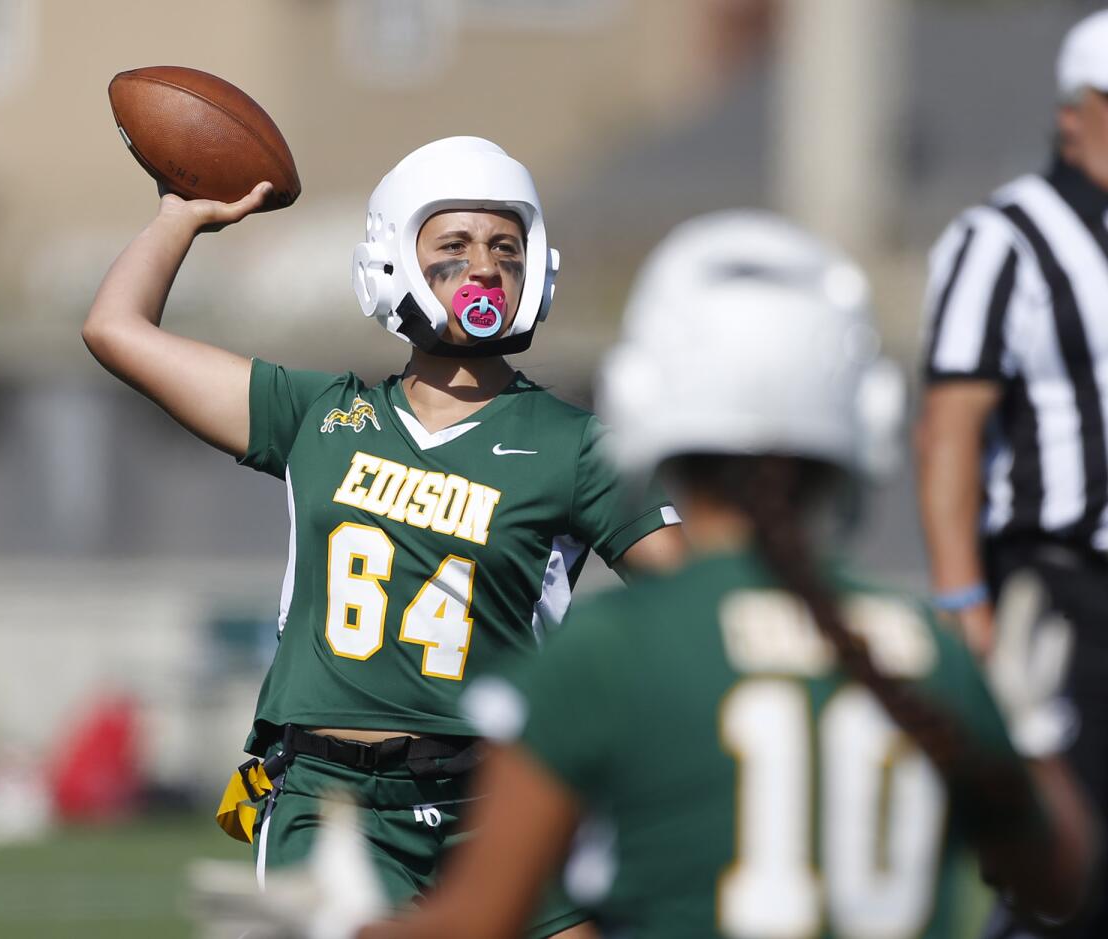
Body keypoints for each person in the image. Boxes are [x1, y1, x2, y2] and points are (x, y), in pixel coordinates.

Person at [358, 212, 1099, 939]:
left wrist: (339, 924)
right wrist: (1028, 733)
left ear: (643, 398)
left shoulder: (612, 652)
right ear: (862, 415)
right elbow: (1059, 881)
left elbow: (477, 922)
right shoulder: (925, 653)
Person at [82, 135, 683, 938]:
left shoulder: (576, 445)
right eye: (455, 245)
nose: (485, 268)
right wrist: (180, 216)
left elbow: (703, 598)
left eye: (506, 246)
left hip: (500, 796)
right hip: (331, 801)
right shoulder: (321, 416)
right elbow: (116, 329)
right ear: (393, 259)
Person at [916, 10, 1108, 937]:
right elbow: (950, 429)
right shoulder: (1007, 239)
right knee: (1065, 867)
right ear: (1076, 113)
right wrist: (968, 611)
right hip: (1061, 587)